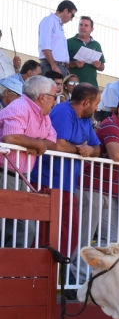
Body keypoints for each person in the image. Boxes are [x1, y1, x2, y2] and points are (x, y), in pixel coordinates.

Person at [69, 94, 119, 285]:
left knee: (109, 240)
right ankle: (74, 278)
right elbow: (116, 155)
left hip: (110, 190)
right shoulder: (110, 124)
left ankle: (95, 280)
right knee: (84, 237)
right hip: (91, 187)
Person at [30, 83, 100, 259]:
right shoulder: (63, 111)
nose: (98, 107)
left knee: (70, 233)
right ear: (86, 103)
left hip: (66, 185)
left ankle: (52, 274)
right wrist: (79, 150)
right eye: (96, 103)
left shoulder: (85, 118)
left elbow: (97, 147)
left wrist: (90, 151)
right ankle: (34, 275)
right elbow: (59, 145)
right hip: (47, 181)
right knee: (44, 234)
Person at [0, 76, 57, 248]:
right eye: (54, 97)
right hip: (5, 173)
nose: (55, 101)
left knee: (19, 228)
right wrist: (37, 143)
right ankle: (9, 270)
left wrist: (34, 144)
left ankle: (8, 271)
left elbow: (52, 142)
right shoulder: (20, 106)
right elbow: (11, 137)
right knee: (23, 228)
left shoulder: (43, 114)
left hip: (18, 176)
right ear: (43, 97)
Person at [38, 0, 76, 76]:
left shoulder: (58, 24)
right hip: (51, 65)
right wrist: (53, 65)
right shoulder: (49, 20)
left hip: (59, 66)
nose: (71, 19)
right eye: (72, 15)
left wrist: (65, 67)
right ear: (66, 11)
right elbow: (45, 45)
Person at [66, 16, 104, 87]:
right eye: (81, 25)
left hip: (91, 86)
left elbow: (102, 67)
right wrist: (75, 64)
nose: (83, 27)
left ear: (92, 29)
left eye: (86, 25)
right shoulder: (68, 42)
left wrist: (98, 65)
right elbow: (62, 64)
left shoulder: (97, 45)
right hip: (73, 86)